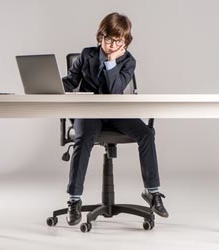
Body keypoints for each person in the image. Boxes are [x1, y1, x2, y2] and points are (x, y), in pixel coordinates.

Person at [62, 12, 168, 226]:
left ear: (125, 43)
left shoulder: (128, 61)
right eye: (107, 39)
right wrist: (49, 87)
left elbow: (114, 90)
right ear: (100, 37)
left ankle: (153, 191)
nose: (111, 44)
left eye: (117, 40)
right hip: (89, 112)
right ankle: (74, 199)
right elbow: (70, 81)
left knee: (146, 134)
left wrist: (111, 62)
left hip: (117, 112)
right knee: (84, 138)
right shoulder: (86, 55)